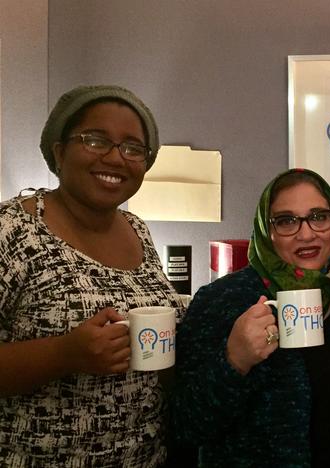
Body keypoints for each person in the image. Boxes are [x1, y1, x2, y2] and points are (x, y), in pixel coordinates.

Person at [0, 85, 183, 466]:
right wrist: (64, 353)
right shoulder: (13, 230)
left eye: (133, 148)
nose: (116, 158)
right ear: (58, 150)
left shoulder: (139, 231)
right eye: (96, 140)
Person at [171, 168, 330, 467]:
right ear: (265, 230)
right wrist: (235, 360)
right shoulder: (221, 300)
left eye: (319, 216)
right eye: (286, 221)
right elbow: (187, 425)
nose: (307, 233)